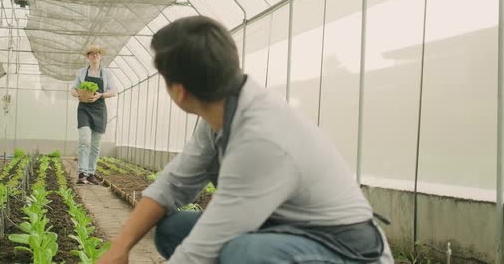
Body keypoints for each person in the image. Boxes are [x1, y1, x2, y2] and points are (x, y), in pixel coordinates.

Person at [98, 16, 393, 264]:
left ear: (178, 91)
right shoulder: (220, 112)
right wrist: (120, 246)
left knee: (244, 254)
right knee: (173, 230)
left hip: (347, 251)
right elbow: (173, 184)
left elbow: (203, 248)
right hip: (286, 231)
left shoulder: (262, 138)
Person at [70, 44, 116, 185]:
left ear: (100, 56)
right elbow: (73, 88)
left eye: (97, 53)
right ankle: (82, 173)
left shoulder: (107, 73)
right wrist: (78, 93)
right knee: (85, 140)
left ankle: (91, 174)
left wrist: (100, 95)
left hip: (99, 109)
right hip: (84, 108)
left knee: (95, 145)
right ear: (88, 57)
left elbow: (113, 91)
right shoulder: (82, 72)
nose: (94, 56)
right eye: (91, 54)